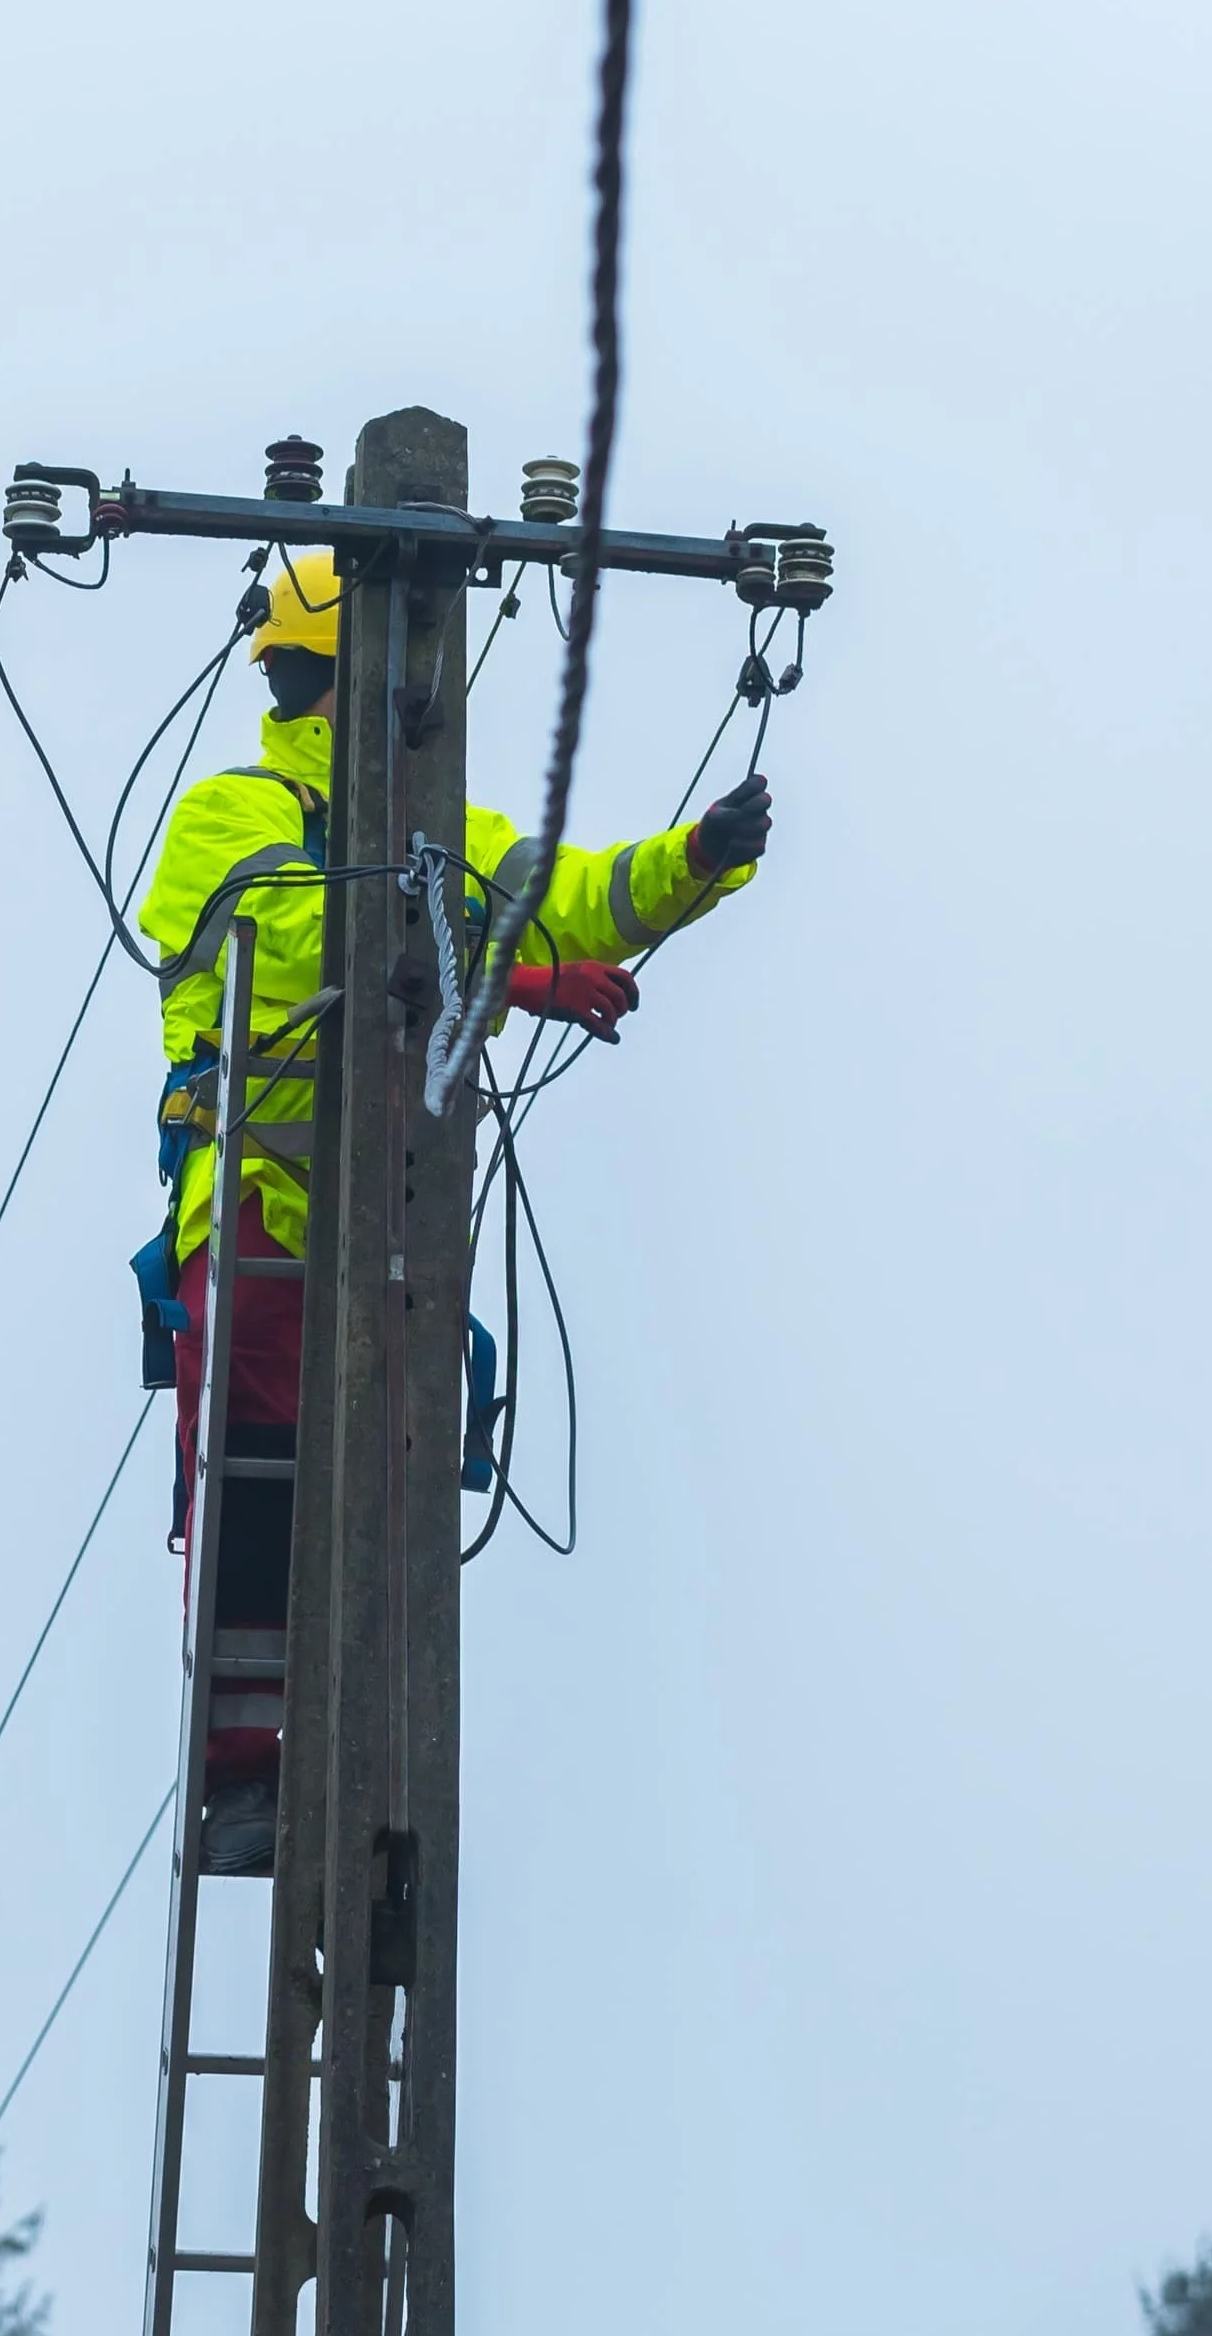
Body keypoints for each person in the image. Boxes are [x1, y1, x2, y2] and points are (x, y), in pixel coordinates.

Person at [131, 545, 775, 1874]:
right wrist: (504, 968)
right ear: (342, 674)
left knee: (387, 1495)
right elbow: (308, 941)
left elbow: (576, 895)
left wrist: (696, 862)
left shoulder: (441, 839)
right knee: (269, 1490)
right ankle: (247, 1781)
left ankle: (367, 1782)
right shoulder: (229, 818)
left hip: (390, 1228)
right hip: (258, 1200)